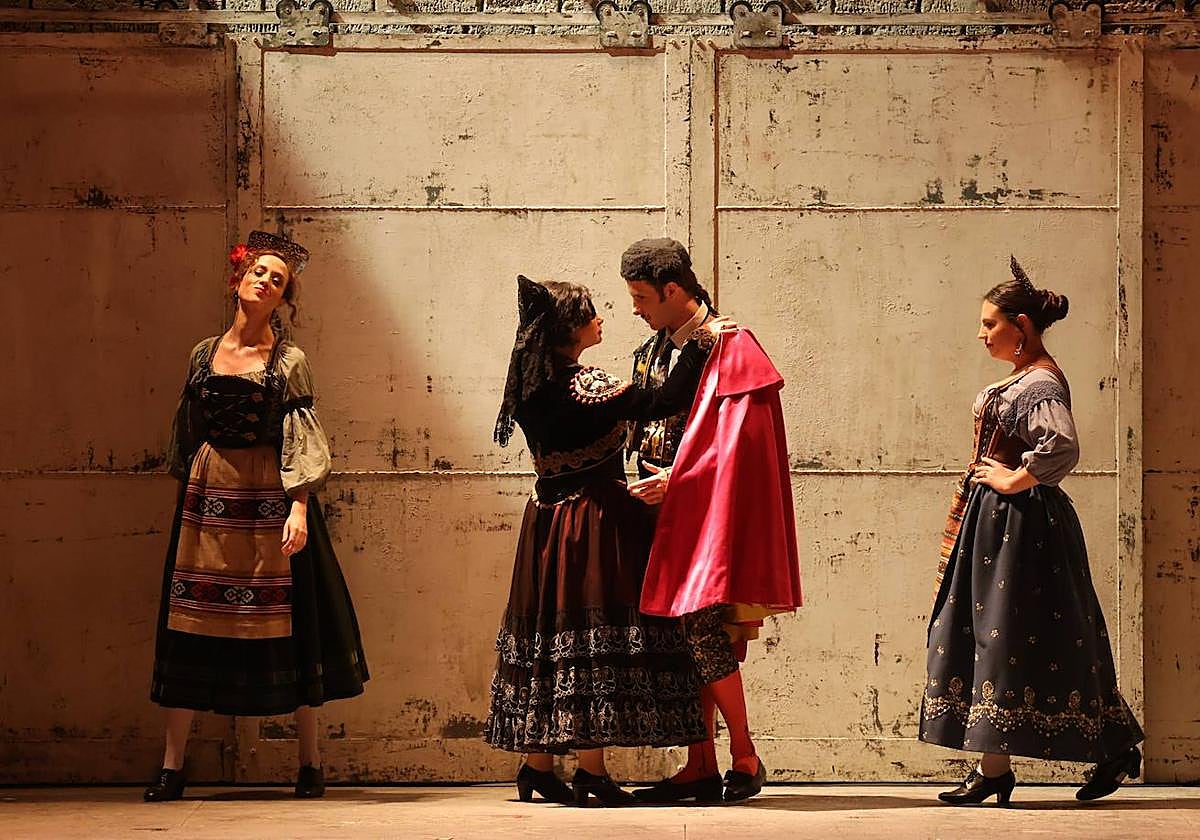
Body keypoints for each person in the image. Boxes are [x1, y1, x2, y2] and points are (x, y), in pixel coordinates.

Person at [145, 231, 369, 802]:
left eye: (279, 279)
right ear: (238, 278)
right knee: (191, 620)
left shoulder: (288, 361)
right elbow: (186, 431)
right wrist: (189, 493)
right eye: (260, 272)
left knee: (293, 626)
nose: (267, 281)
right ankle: (172, 765)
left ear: (283, 298)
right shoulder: (203, 353)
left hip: (271, 494)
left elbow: (303, 437)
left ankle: (309, 762)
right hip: (210, 499)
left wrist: (299, 505)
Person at [484, 275, 718, 806]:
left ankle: (538, 764)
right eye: (591, 313)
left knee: (555, 636)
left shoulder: (531, 384)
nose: (602, 318)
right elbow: (662, 400)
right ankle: (590, 771)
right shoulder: (583, 384)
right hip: (592, 521)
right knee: (596, 634)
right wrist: (701, 343)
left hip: (546, 523)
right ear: (570, 328)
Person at [921, 257, 1143, 805]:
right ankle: (995, 768)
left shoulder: (1040, 382)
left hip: (1021, 530)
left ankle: (1108, 745)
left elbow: (1062, 445)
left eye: (991, 323)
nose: (981, 334)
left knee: (1022, 637)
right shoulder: (1024, 379)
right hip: (995, 525)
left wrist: (1017, 478)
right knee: (990, 637)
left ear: (1021, 326)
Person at [620, 239, 801, 804]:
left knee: (702, 628)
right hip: (658, 511)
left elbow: (739, 447)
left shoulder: (732, 344)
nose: (636, 309)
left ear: (674, 290)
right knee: (681, 638)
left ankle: (744, 755)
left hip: (706, 511)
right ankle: (701, 761)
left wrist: (678, 479)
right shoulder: (653, 350)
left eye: (643, 297)